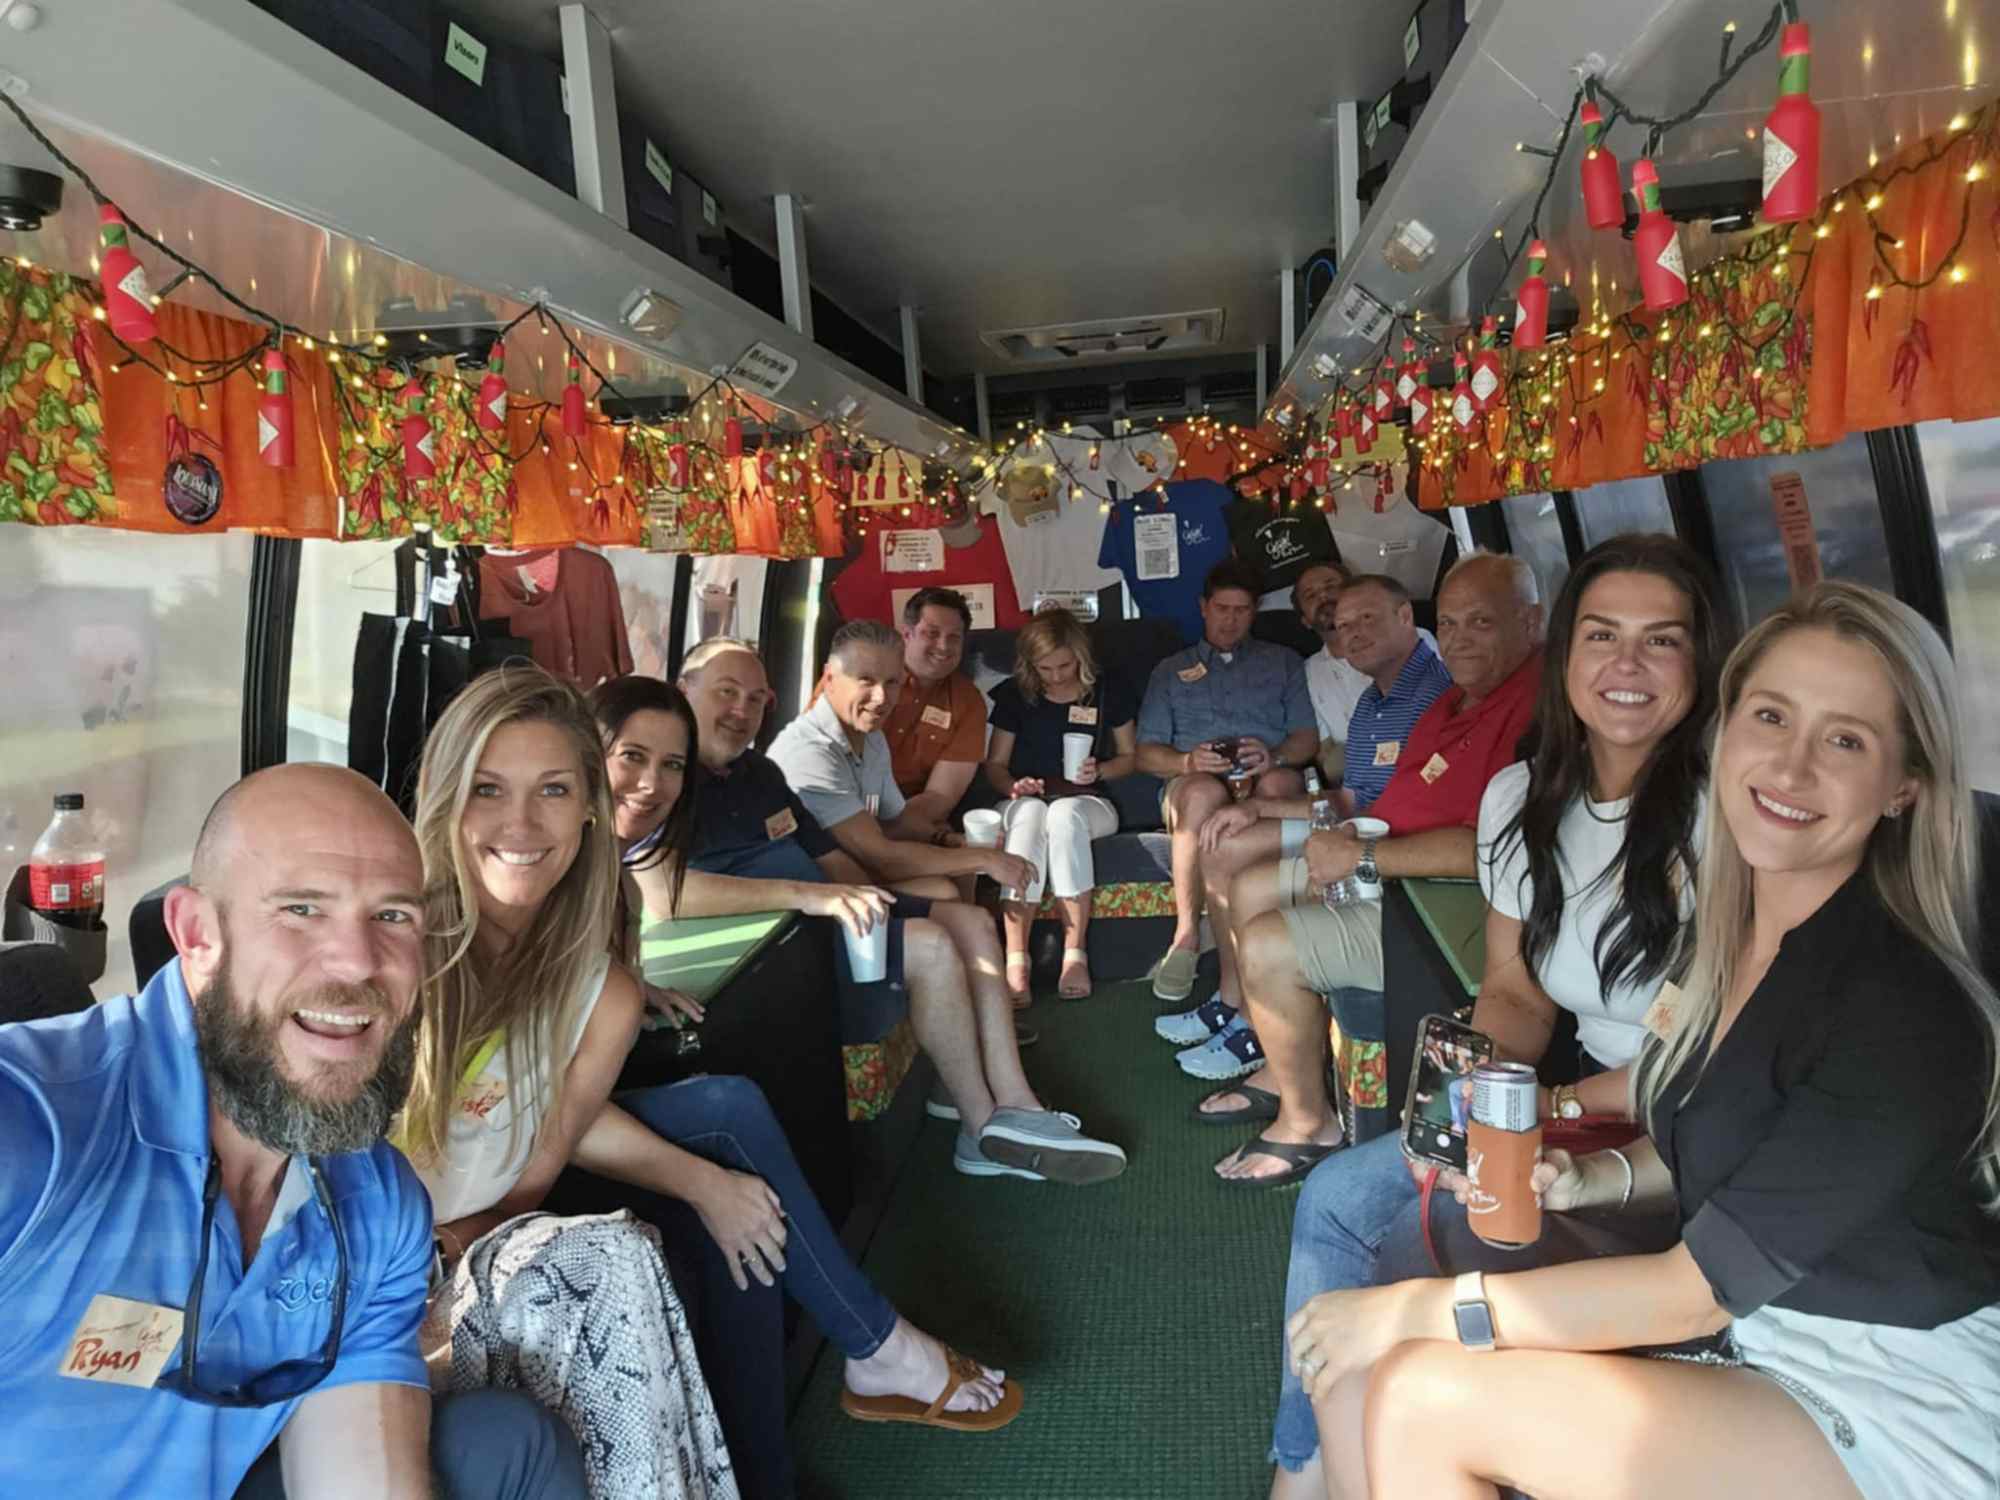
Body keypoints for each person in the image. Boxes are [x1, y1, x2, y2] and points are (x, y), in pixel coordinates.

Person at [1287, 581, 2000, 1500]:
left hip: (1895, 1394)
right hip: (1762, 1340)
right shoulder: (1740, 939)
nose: (1790, 767)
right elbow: (1732, 1122)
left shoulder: (1900, 1005)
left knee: (1420, 1388)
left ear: (1905, 783)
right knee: (1357, 1382)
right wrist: (1597, 1172)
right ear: (1726, 727)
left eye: (1847, 740)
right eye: (1772, 717)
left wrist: (1420, 1309)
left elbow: (1693, 1289)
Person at [1263, 533, 1724, 1497]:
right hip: (1578, 1097)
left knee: (1411, 1245)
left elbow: (1705, 1052)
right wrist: (1469, 1091)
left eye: (1662, 641)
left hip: (1683, 1120)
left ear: (1703, 657)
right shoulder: (1527, 795)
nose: (1627, 667)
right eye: (1603, 636)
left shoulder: (1730, 809)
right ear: (1565, 650)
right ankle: (1303, 1470)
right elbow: (1515, 991)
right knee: (1340, 1196)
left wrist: (1544, 1114)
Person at [0, 763, 583, 1499]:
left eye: (393, 916)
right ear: (196, 934)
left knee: (509, 1438)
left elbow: (363, 1478)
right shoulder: (31, 1130)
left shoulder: (376, 1206)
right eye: (303, 909)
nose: (359, 961)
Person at [554, 674, 1023, 1499]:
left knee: (737, 1230)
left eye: (670, 765)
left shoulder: (607, 853)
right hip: (524, 1149)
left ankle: (770, 1467)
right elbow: (534, 1108)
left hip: (560, 1115)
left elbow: (610, 936)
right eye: (632, 757)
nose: (651, 783)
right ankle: (876, 1345)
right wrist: (700, 1178)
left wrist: (625, 984)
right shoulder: (531, 866)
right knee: (727, 1123)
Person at [399, 668, 737, 1500]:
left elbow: (527, 1189)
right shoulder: (386, 955)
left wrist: (439, 1268)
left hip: (458, 1269)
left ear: (591, 806)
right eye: (488, 789)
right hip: (336, 1288)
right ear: (447, 800)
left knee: (614, 1257)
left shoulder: (604, 996)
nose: (520, 824)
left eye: (552, 789)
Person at [678, 636, 1117, 1184]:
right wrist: (970, 862)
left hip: (828, 911)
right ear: (827, 680)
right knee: (933, 941)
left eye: (755, 697)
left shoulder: (761, 774)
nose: (742, 710)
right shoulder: (674, 778)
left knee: (970, 918)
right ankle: (982, 1130)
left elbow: (836, 858)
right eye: (726, 692)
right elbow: (661, 889)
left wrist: (914, 877)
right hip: (784, 939)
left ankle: (1016, 1100)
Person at [1206, 553, 1544, 1183]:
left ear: (1530, 622)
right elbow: (1371, 803)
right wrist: (1268, 812)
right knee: (1250, 881)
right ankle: (1280, 1068)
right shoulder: (1452, 702)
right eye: (1451, 624)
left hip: (1441, 908)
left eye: (1482, 622)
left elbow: (1496, 847)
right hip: (1391, 873)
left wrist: (1359, 854)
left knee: (1266, 941)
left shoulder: (1534, 710)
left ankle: (1309, 1126)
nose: (1459, 639)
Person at [1164, 571, 1449, 1069]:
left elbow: (1379, 810)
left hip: (1386, 848)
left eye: (1367, 620)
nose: (1353, 634)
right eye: (1343, 625)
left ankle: (1250, 1017)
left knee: (1237, 857)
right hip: (1355, 826)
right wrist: (1252, 808)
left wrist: (1271, 785)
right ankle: (1236, 1004)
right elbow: (1353, 798)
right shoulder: (1373, 703)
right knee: (1227, 840)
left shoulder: (1434, 697)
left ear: (1407, 618)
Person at [1135, 558, 1318, 1006]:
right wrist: (1185, 761)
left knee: (1278, 786)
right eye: (1222, 608)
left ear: (1254, 612)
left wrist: (1272, 755)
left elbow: (1306, 739)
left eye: (1241, 610)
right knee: (1202, 792)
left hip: (1265, 775)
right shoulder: (1169, 670)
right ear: (1203, 607)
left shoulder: (1285, 663)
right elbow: (1144, 753)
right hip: (1194, 783)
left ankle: (1282, 928)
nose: (1231, 620)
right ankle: (1185, 936)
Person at [982, 608, 1139, 1001]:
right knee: (1036, 813)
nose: (1055, 676)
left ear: (1080, 657)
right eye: (1044, 668)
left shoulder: (1107, 690)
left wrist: (1098, 771)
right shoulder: (1016, 694)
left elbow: (1130, 759)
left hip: (1088, 800)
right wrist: (1016, 786)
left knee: (1063, 814)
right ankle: (1016, 958)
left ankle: (1075, 954)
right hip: (1027, 800)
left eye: (1064, 665)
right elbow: (995, 767)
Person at [881, 587, 990, 839]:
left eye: (954, 637)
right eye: (932, 633)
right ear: (906, 634)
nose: (943, 646)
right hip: (845, 811)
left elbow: (941, 795)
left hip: (915, 817)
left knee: (964, 861)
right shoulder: (864, 678)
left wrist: (892, 827)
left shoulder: (968, 702)